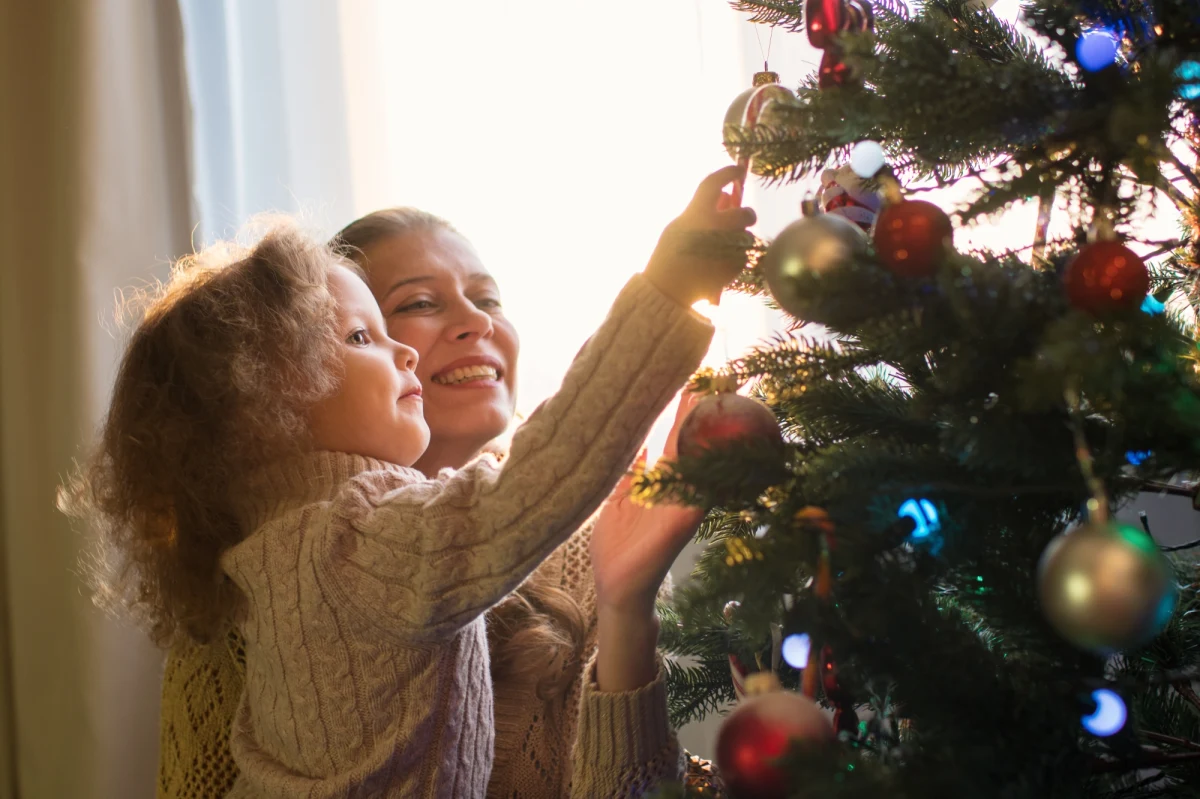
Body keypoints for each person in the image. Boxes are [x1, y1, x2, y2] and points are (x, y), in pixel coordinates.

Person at [64, 167, 754, 798]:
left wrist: (624, 607)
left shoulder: (278, 559)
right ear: (267, 401)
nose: (475, 322)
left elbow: (529, 472)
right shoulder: (352, 544)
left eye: (488, 297)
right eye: (376, 328)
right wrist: (665, 294)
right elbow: (536, 476)